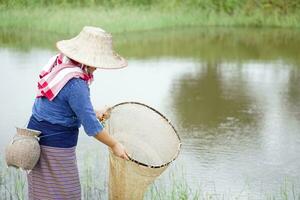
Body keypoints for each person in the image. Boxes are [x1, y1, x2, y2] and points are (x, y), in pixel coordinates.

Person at [26, 26, 129, 200]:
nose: (97, 67)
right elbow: (92, 128)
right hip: (54, 144)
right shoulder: (76, 83)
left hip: (34, 137)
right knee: (67, 194)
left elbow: (60, 105)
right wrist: (115, 145)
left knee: (42, 193)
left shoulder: (60, 62)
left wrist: (93, 112)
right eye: (96, 62)